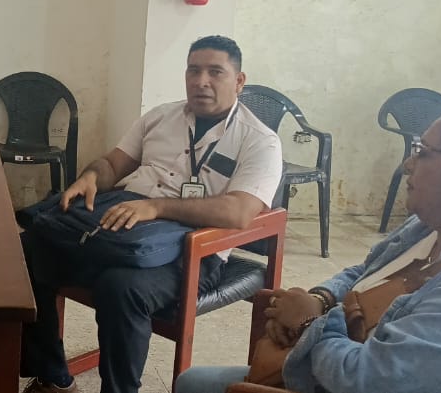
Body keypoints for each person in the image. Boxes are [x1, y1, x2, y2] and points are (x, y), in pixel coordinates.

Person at [174, 103, 441, 393]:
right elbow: (366, 272)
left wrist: (309, 324)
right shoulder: (432, 227)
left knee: (194, 384)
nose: (408, 165)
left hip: (344, 377)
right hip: (333, 358)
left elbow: (366, 380)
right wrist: (321, 297)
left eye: (423, 153)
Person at [20, 35, 284, 393]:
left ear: (239, 81)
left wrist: (156, 207)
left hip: (194, 251)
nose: (201, 81)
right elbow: (114, 164)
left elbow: (239, 211)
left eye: (215, 72)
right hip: (127, 229)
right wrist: (91, 177)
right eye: (193, 70)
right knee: (29, 246)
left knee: (120, 287)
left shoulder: (259, 140)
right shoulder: (161, 116)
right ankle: (53, 376)